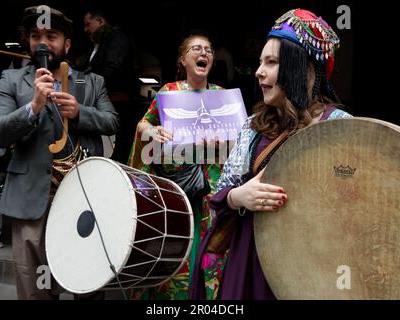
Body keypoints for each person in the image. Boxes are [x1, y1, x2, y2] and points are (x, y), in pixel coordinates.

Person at [190, 9, 352, 300]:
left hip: (314, 265)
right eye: (260, 62)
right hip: (253, 262)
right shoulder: (253, 128)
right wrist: (238, 197)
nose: (259, 71)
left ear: (301, 68)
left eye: (272, 62)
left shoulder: (339, 125)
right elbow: (222, 192)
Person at [0, 5, 119, 299]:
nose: (43, 42)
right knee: (35, 290)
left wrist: (80, 111)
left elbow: (113, 122)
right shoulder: (12, 81)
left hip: (83, 200)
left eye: (52, 35)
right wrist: (32, 107)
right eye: (35, 35)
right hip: (32, 199)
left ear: (67, 44)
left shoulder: (92, 82)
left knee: (88, 285)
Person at [128, 35, 228, 300]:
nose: (203, 53)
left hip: (211, 190)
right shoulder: (168, 92)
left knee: (207, 250)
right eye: (196, 49)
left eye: (208, 50)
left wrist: (223, 142)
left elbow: (238, 140)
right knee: (174, 247)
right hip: (174, 190)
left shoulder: (221, 96)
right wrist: (153, 130)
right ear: (183, 59)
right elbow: (142, 125)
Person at [82, 6, 138, 164]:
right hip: (105, 99)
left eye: (88, 24)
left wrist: (91, 89)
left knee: (118, 143)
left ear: (100, 21)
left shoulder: (117, 38)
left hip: (117, 101)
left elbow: (112, 68)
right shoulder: (98, 44)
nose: (85, 29)